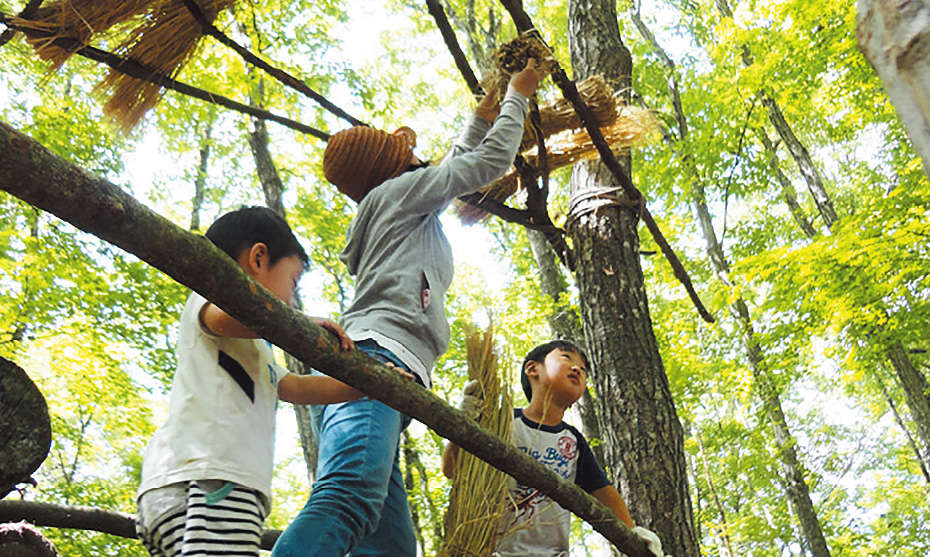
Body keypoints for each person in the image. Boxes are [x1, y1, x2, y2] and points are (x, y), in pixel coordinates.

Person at [270, 59, 548, 557]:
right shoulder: (400, 195)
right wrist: (518, 96)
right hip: (374, 364)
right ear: (394, 168)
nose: (417, 157)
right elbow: (485, 164)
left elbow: (450, 167)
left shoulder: (393, 205)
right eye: (406, 154)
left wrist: (480, 118)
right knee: (348, 498)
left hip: (376, 374)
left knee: (391, 547)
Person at [135, 206, 363, 557]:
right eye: (293, 282)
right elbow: (227, 317)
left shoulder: (257, 350)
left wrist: (365, 387)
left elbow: (295, 386)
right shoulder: (209, 299)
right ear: (258, 258)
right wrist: (298, 321)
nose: (292, 299)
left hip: (194, 485)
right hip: (213, 480)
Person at [442, 339, 665, 557]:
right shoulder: (503, 422)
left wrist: (632, 532)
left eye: (584, 370)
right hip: (494, 550)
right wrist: (465, 423)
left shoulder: (572, 440)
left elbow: (601, 490)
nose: (577, 369)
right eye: (567, 358)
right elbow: (453, 470)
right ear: (533, 369)